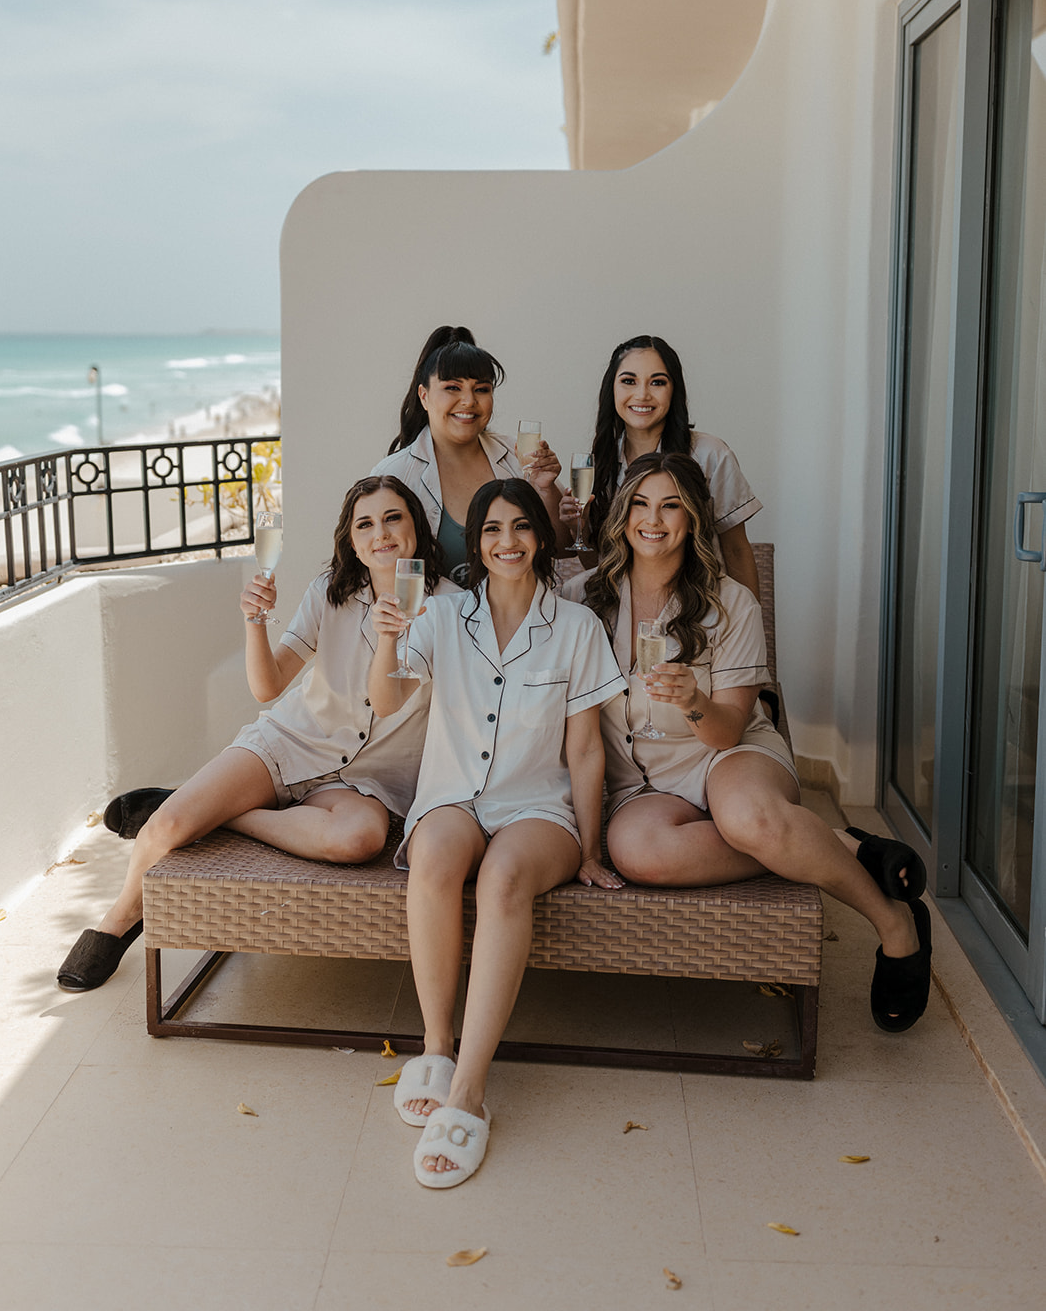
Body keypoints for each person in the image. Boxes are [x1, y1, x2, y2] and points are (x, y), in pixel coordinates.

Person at [564, 452, 932, 1035]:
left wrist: (690, 700)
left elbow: (728, 729)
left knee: (753, 818)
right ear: (620, 514)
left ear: (693, 519)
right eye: (639, 503)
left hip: (725, 753)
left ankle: (895, 925)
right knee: (639, 854)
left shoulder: (729, 602)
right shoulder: (581, 598)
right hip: (639, 779)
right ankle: (829, 841)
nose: (653, 519)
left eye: (671, 506)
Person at [57, 476, 455, 993]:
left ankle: (227, 814)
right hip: (291, 743)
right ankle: (118, 919)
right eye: (365, 524)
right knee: (167, 826)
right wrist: (254, 621)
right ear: (352, 542)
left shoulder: (449, 606)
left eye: (393, 517)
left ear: (417, 527)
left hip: (367, 778)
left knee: (359, 839)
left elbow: (392, 700)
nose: (381, 533)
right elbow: (268, 687)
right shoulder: (330, 592)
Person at [368, 478, 625, 1188]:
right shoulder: (443, 617)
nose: (506, 541)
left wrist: (593, 848)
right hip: (452, 795)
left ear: (540, 537)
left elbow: (585, 751)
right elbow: (386, 699)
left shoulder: (576, 629)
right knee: (435, 861)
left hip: (537, 810)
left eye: (519, 527)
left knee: (505, 879)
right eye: (490, 529)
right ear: (475, 545)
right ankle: (436, 1045)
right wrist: (386, 640)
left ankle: (468, 1091)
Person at [562, 334, 761, 595]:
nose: (642, 394)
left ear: (674, 389)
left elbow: (736, 549)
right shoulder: (600, 464)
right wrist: (578, 526)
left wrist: (751, 621)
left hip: (701, 609)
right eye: (629, 381)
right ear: (612, 389)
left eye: (657, 382)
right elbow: (602, 563)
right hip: (625, 612)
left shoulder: (710, 455)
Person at [373, 324, 566, 580]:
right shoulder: (394, 474)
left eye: (481, 389)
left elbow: (561, 550)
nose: (469, 401)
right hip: (431, 618)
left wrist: (546, 490)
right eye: (453, 387)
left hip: (514, 619)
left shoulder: (518, 457)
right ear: (424, 395)